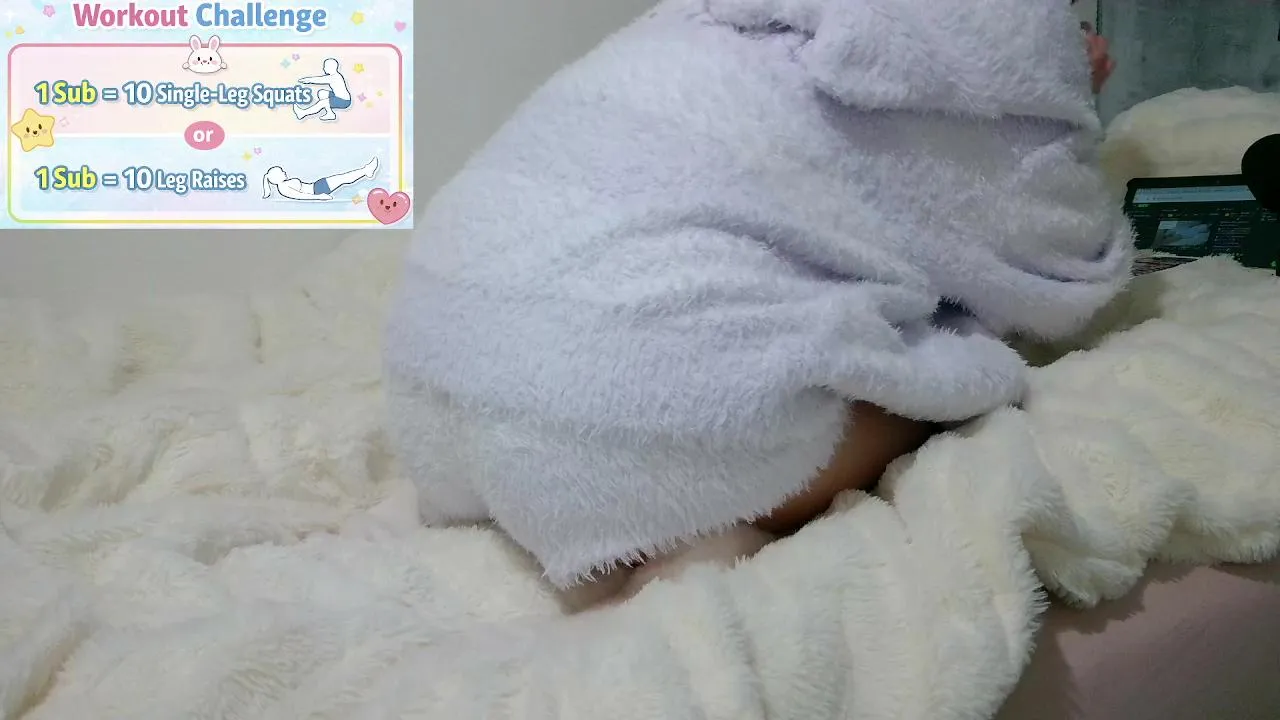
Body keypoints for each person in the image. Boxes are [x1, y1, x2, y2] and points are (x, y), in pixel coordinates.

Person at [384, 0, 1133, 611]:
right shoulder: (985, 50)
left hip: (434, 384)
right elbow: (1061, 275)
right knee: (948, 387)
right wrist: (1063, 94)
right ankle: (695, 521)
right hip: (611, 425)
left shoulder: (692, 25)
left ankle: (615, 483)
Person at [261, 157, 378, 201]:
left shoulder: (284, 185)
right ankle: (366, 171)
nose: (284, 172)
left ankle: (365, 171)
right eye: (281, 172)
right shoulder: (283, 188)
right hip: (318, 190)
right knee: (343, 178)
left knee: (342, 178)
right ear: (276, 177)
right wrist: (319, 197)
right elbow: (301, 196)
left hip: (317, 186)